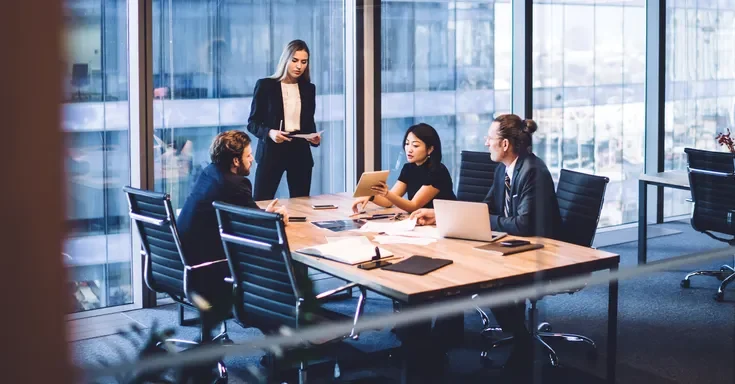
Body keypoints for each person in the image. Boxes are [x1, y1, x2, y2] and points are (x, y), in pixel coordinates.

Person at [411, 114, 562, 376]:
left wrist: (484, 220)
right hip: (515, 245)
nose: (485, 142)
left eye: (490, 138)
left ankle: (521, 344)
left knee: (489, 283)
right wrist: (438, 214)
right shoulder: (502, 170)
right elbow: (487, 207)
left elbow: (524, 224)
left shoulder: (532, 171)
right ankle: (434, 349)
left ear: (504, 145)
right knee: (455, 275)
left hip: (542, 250)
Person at [177, 130, 289, 268]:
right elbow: (256, 229)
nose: (252, 159)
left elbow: (247, 218)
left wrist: (265, 215)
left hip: (183, 261)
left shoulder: (208, 173)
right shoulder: (236, 184)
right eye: (248, 155)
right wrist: (276, 219)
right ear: (236, 161)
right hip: (208, 267)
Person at [247, 39, 320, 201]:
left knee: (301, 204)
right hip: (272, 151)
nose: (299, 66)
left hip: (300, 152)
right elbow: (252, 123)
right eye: (294, 61)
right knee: (261, 201)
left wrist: (313, 138)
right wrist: (270, 133)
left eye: (304, 62)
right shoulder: (265, 86)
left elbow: (308, 122)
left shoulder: (309, 88)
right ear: (285, 60)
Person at [350, 123, 456, 214]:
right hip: (421, 221)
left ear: (430, 149)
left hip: (445, 222)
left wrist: (387, 193)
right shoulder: (408, 168)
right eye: (407, 144)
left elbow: (413, 206)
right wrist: (372, 197)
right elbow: (388, 202)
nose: (409, 149)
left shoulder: (437, 171)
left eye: (415, 145)